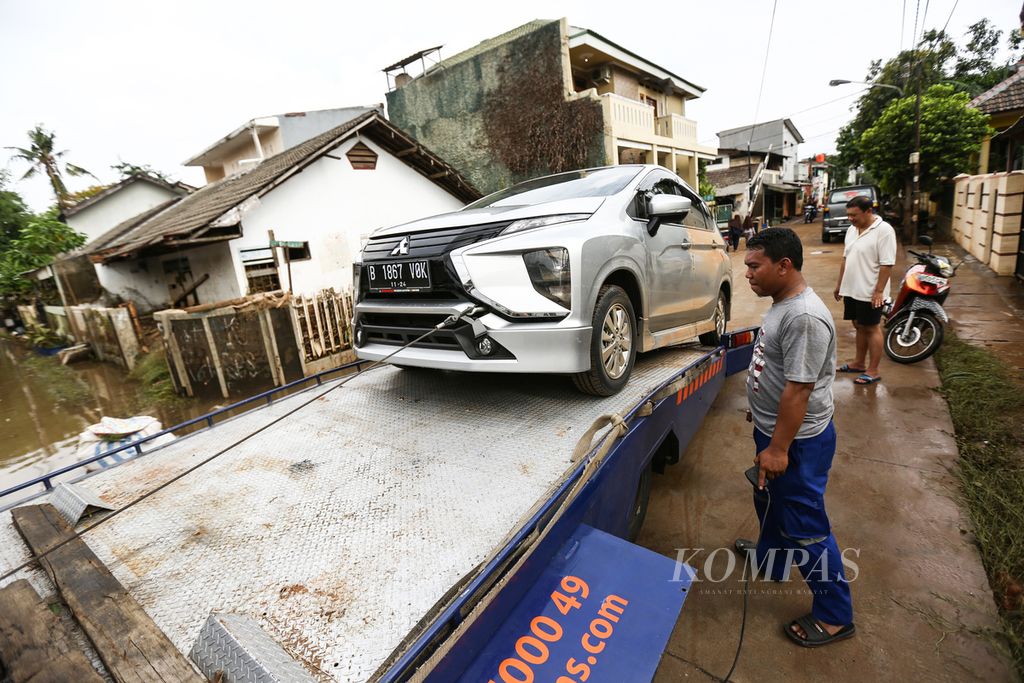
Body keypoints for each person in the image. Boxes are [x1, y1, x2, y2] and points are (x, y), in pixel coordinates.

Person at [736, 227, 855, 648]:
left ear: (784, 266)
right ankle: (772, 561)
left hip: (797, 443)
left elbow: (800, 390)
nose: (747, 272)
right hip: (775, 431)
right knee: (768, 500)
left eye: (755, 265)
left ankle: (836, 615)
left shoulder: (804, 316)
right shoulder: (783, 303)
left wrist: (779, 447)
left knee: (805, 525)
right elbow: (779, 372)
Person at [833, 195, 897, 385]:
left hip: (871, 291)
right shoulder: (852, 230)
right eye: (848, 215)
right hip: (852, 288)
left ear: (869, 211)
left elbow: (887, 264)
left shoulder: (884, 230)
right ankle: (859, 363)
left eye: (854, 215)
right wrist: (839, 284)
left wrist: (879, 291)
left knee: (871, 327)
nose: (850, 219)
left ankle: (873, 369)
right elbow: (846, 259)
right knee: (858, 325)